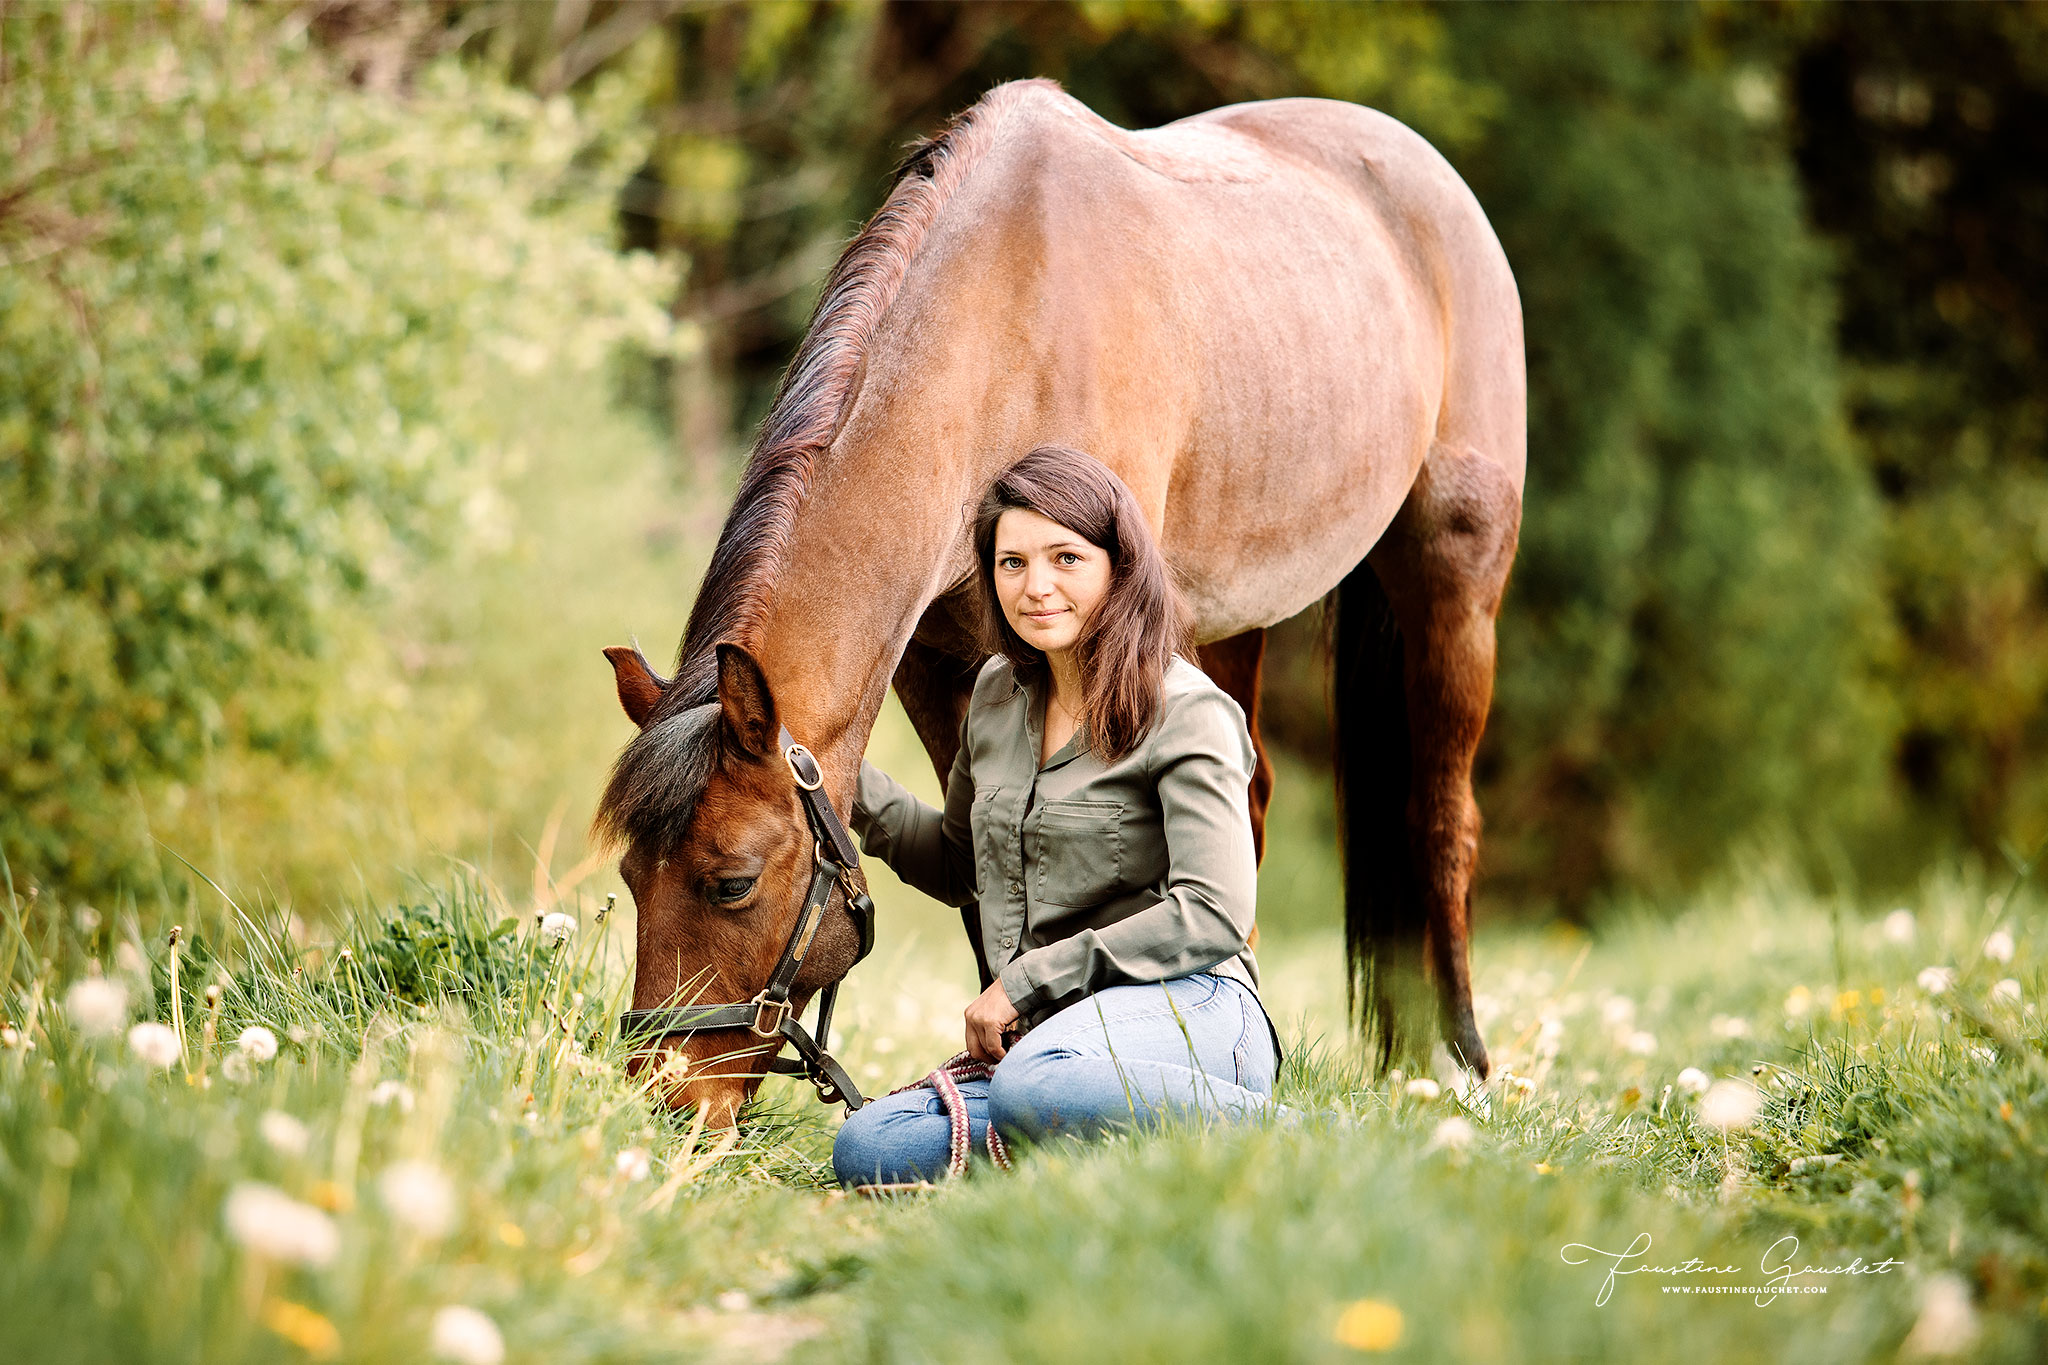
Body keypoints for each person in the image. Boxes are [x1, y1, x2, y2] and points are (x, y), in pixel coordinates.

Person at [833, 444, 1282, 1187]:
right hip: (1051, 1045)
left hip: (1193, 1008)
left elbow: (1214, 913)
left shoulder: (1188, 711)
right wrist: (832, 776)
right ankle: (1096, 1142)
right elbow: (957, 865)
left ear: (1119, 564)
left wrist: (1028, 979)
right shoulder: (996, 697)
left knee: (1033, 1086)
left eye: (1065, 558)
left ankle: (1293, 1134)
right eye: (1012, 563)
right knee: (869, 1144)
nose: (1035, 586)